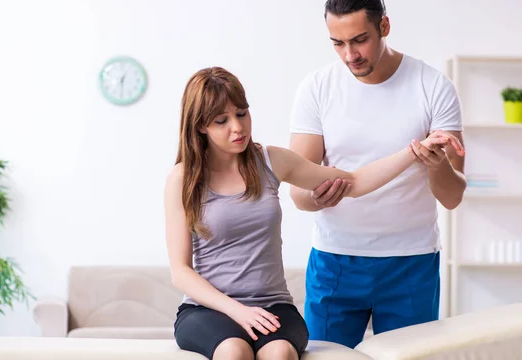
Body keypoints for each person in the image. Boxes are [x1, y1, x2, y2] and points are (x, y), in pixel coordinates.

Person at [165, 66, 464, 360]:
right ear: (201, 126)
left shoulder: (271, 161)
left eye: (242, 113)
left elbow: (354, 182)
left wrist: (415, 152)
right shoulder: (184, 178)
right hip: (209, 310)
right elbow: (180, 271)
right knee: (233, 351)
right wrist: (238, 311)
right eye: (222, 120)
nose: (238, 127)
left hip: (272, 306)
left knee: (280, 352)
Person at [289, 0, 467, 349]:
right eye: (338, 43)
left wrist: (435, 165)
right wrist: (318, 197)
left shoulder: (433, 86)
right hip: (335, 259)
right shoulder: (316, 88)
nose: (349, 54)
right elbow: (298, 195)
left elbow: (453, 197)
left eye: (359, 40)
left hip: (410, 262)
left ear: (384, 27)